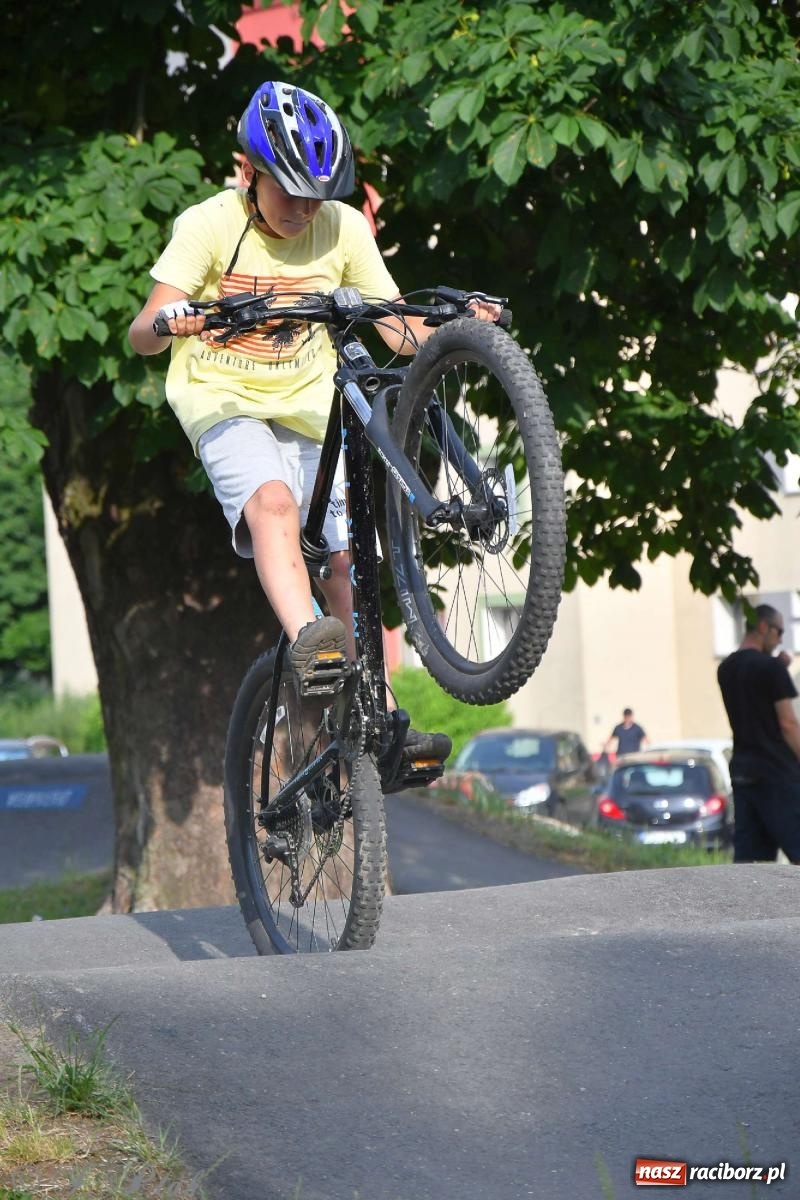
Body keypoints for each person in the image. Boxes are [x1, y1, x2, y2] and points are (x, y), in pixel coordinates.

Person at [128, 80, 500, 770]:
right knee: (272, 506)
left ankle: (379, 721)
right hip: (222, 400)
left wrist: (457, 327)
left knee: (349, 560)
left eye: (317, 193)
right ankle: (311, 645)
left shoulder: (341, 227)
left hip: (306, 407)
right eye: (289, 190)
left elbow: (395, 328)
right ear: (250, 173)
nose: (304, 208)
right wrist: (170, 320)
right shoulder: (209, 225)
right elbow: (141, 334)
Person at [716, 603, 800, 863]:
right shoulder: (771, 670)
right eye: (778, 632)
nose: (780, 639)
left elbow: (752, 686)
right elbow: (787, 723)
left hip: (743, 772)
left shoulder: (725, 669)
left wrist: (776, 664)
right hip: (777, 772)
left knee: (753, 867)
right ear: (763, 627)